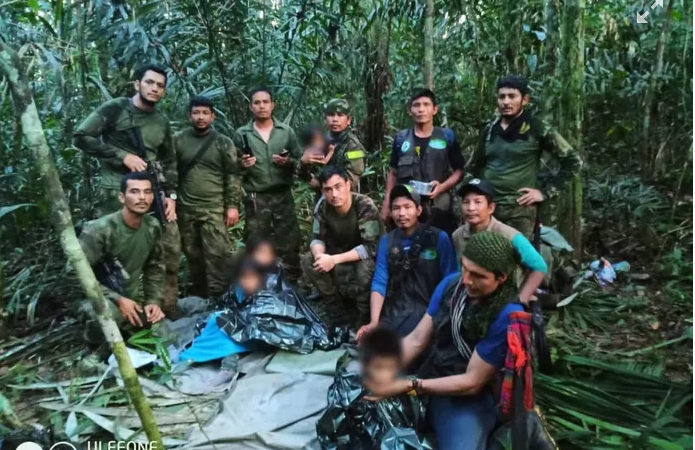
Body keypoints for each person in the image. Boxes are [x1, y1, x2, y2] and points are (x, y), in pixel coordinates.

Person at [363, 231, 527, 450]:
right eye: (464, 267)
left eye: (478, 275)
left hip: (467, 396)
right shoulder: (451, 285)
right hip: (433, 371)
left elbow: (472, 382)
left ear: (501, 278)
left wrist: (410, 386)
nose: (466, 279)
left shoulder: (506, 315)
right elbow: (417, 339)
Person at [74, 64, 181, 316]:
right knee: (114, 254)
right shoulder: (116, 109)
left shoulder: (161, 122)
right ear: (137, 84)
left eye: (160, 86)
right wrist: (122, 156)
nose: (154, 88)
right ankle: (115, 309)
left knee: (167, 248)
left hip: (153, 193)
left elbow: (170, 162)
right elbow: (81, 136)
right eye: (150, 82)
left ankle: (162, 309)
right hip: (116, 193)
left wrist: (171, 196)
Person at [469, 75, 583, 239]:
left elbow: (573, 162)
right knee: (484, 257)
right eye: (502, 97)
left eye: (512, 96)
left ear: (525, 99)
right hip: (489, 208)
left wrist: (544, 192)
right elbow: (473, 167)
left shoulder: (537, 128)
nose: (506, 102)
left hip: (520, 209)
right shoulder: (489, 130)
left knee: (518, 259)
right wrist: (472, 199)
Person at [357, 185, 458, 339]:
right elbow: (379, 281)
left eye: (407, 207)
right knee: (367, 343)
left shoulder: (438, 238)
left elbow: (450, 280)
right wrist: (373, 322)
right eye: (396, 208)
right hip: (396, 311)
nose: (401, 213)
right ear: (390, 212)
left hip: (429, 312)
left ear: (418, 210)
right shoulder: (387, 241)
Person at [77, 173, 166, 342]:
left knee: (161, 333)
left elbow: (155, 266)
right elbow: (75, 275)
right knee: (108, 316)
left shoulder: (152, 226)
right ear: (122, 197)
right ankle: (93, 347)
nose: (142, 198)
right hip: (96, 297)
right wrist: (118, 300)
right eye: (134, 192)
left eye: (147, 192)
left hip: (130, 296)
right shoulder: (100, 230)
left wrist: (153, 301)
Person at [174, 96, 241, 300]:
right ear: (189, 115)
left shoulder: (223, 142)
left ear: (212, 116)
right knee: (193, 255)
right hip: (186, 208)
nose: (200, 117)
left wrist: (232, 206)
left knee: (218, 254)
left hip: (214, 208)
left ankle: (220, 296)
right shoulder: (177, 140)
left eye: (205, 113)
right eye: (196, 113)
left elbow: (232, 175)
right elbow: (169, 172)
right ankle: (200, 295)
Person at [301, 166, 383, 328]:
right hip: (337, 253)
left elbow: (371, 247)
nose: (334, 194)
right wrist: (319, 256)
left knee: (366, 267)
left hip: (363, 257)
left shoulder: (364, 205)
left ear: (348, 185)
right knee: (309, 260)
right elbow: (317, 238)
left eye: (338, 187)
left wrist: (333, 259)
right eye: (328, 190)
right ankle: (337, 312)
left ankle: (364, 315)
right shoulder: (323, 207)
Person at [235, 87, 303, 282]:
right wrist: (242, 164)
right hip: (257, 196)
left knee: (289, 238)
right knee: (256, 239)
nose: (262, 106)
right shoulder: (241, 134)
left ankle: (292, 282)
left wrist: (287, 162)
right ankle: (257, 282)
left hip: (282, 193)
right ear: (251, 106)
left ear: (273, 105)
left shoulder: (286, 132)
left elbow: (300, 160)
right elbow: (233, 166)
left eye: (266, 102)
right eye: (257, 102)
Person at [380, 89, 464, 235]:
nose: (421, 109)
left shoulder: (446, 137)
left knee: (439, 248)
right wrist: (387, 203)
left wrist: (442, 187)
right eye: (416, 105)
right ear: (409, 110)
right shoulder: (401, 139)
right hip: (407, 210)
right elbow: (393, 172)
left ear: (434, 109)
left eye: (426, 105)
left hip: (439, 208)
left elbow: (459, 171)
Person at [452, 178, 547, 303]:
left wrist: (522, 299)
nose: (471, 208)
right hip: (472, 296)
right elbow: (461, 270)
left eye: (477, 202)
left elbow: (539, 266)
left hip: (504, 299)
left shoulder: (509, 235)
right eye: (466, 202)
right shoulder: (458, 235)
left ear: (490, 208)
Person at [300, 99, 367, 192]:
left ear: (348, 120)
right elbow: (305, 173)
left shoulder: (354, 148)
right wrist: (303, 163)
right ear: (326, 119)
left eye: (340, 115)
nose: (335, 119)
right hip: (322, 199)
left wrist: (320, 183)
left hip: (345, 200)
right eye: (331, 115)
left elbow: (351, 181)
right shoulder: (320, 140)